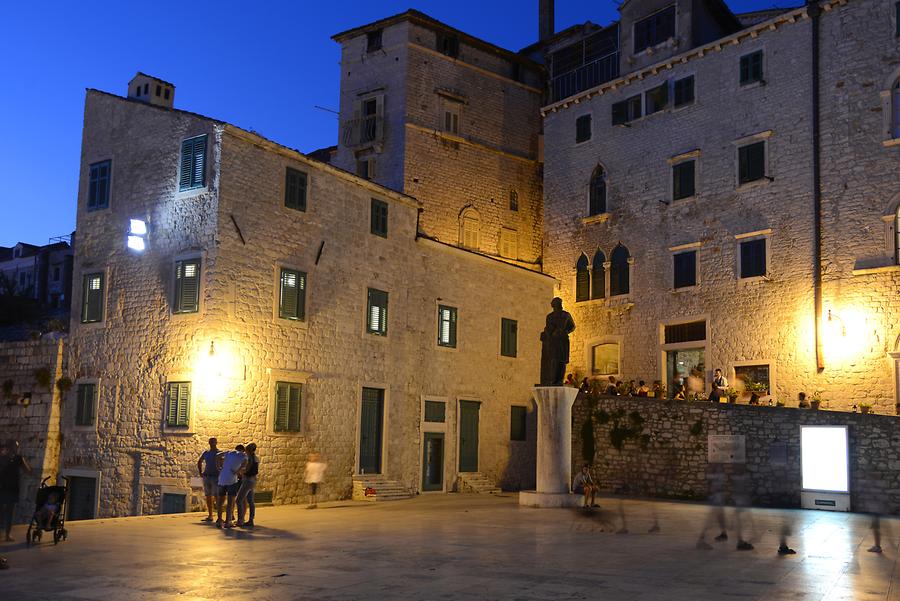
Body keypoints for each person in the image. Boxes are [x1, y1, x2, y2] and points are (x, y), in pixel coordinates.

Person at [0, 440, 32, 542]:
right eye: (15, 446)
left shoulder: (19, 458)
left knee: (10, 512)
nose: (17, 448)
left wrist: (24, 462)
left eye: (17, 447)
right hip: (2, 488)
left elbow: (27, 471)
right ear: (10, 447)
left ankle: (7, 535)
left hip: (13, 488)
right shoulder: (2, 458)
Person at [216, 444, 246, 528]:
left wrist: (218, 467)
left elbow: (217, 456)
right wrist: (238, 471)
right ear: (243, 450)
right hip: (232, 480)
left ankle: (219, 520)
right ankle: (227, 522)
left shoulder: (229, 452)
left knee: (220, 502)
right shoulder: (242, 455)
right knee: (230, 502)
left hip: (222, 479)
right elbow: (245, 462)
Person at [196, 437, 221, 522]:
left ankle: (219, 516)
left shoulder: (219, 453)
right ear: (209, 443)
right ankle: (210, 515)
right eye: (211, 442)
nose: (212, 444)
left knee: (217, 496)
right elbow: (199, 462)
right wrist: (201, 472)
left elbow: (223, 464)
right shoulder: (206, 453)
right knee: (208, 496)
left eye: (214, 442)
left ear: (216, 443)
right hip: (207, 476)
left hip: (215, 477)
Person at [236, 443, 259, 528]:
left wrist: (239, 471)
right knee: (251, 501)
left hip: (247, 480)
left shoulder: (249, 458)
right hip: (253, 481)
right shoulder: (256, 458)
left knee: (238, 500)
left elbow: (247, 469)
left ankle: (240, 520)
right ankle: (251, 520)